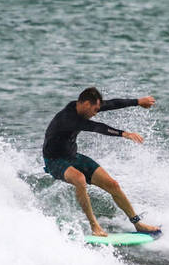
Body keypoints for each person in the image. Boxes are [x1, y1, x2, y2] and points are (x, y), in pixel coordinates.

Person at [42, 87, 160, 237]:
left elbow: (112, 104)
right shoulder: (68, 118)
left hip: (72, 156)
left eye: (98, 109)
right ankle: (94, 227)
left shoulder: (83, 107)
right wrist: (124, 134)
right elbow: (97, 127)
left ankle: (138, 223)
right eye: (95, 110)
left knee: (113, 185)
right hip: (54, 160)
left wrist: (138, 102)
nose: (96, 113)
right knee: (79, 179)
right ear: (86, 104)